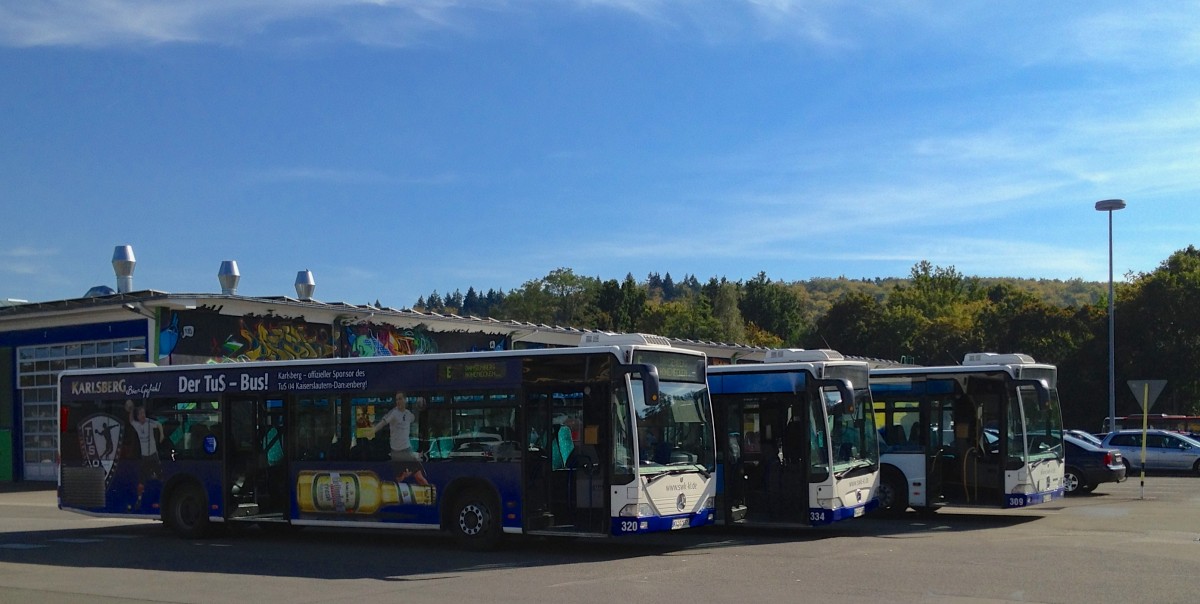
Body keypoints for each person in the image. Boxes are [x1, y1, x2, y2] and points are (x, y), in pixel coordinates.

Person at [372, 392, 429, 485]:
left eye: (400, 399)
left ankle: (429, 495)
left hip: (407, 450)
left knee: (419, 477)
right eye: (396, 399)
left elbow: (417, 418)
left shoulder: (409, 414)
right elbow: (383, 423)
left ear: (405, 400)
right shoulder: (393, 413)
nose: (398, 401)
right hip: (396, 453)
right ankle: (406, 474)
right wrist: (373, 430)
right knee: (399, 479)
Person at [125, 399, 163, 510]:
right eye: (141, 414)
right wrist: (131, 410)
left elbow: (159, 425)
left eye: (144, 413)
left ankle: (158, 496)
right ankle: (139, 499)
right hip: (145, 457)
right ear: (138, 415)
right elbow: (131, 420)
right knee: (141, 481)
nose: (143, 415)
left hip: (154, 455)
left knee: (161, 477)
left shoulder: (149, 423)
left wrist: (161, 435)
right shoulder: (137, 425)